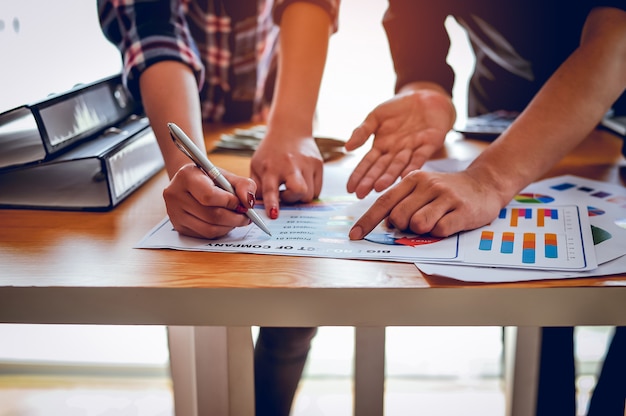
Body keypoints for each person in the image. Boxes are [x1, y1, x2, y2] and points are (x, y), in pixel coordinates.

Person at [344, 2, 626, 415]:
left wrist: (489, 179)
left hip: (610, 98)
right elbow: (410, 13)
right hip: (506, 108)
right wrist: (424, 85)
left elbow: (617, 39)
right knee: (535, 302)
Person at [98, 1, 339, 414]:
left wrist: (293, 127)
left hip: (280, 124)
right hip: (177, 135)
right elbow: (154, 32)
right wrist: (186, 168)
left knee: (295, 310)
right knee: (200, 311)